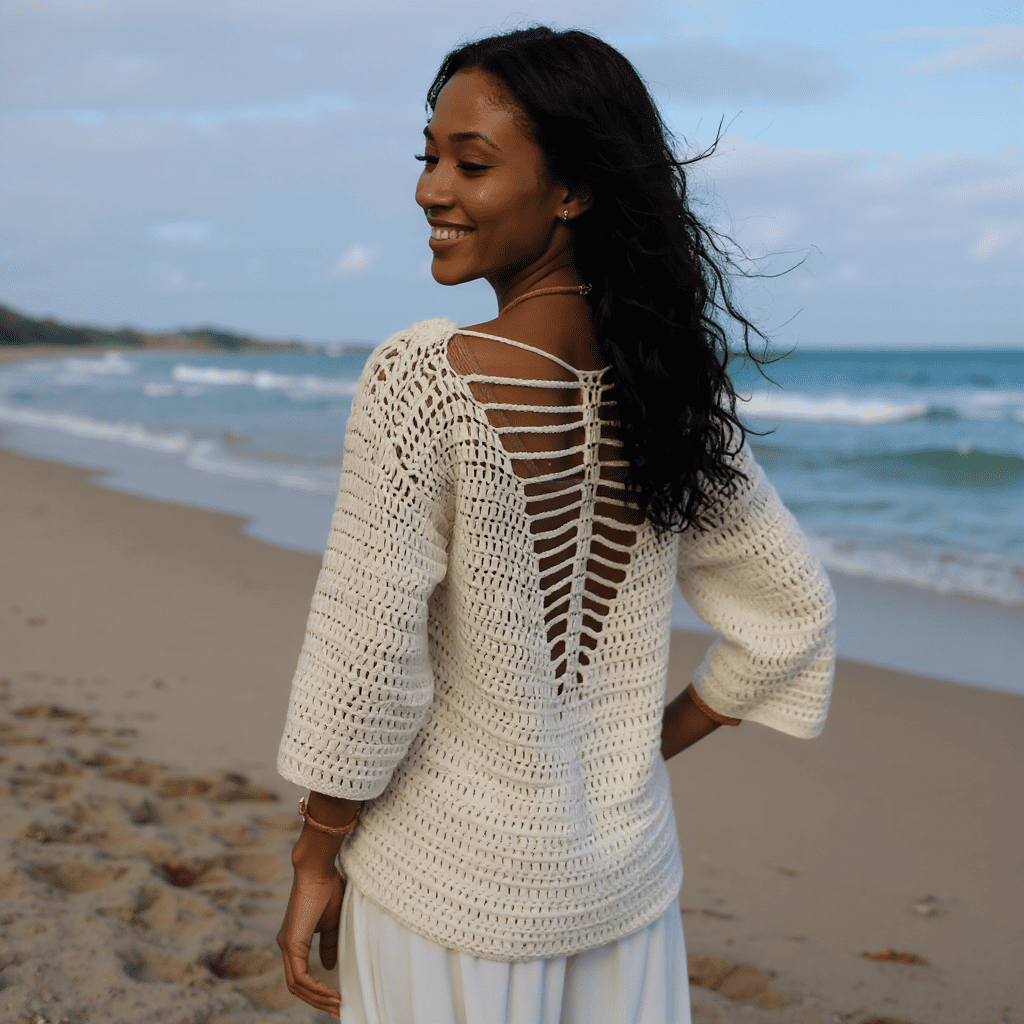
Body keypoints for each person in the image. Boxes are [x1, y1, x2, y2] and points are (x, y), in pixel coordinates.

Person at [275, 26, 835, 1024]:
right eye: (429, 156)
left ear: (572, 188)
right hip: (623, 895)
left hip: (447, 890)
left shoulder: (426, 379)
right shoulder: (667, 400)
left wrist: (317, 846)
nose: (429, 191)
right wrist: (629, 751)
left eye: (470, 163)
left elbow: (369, 662)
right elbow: (790, 614)